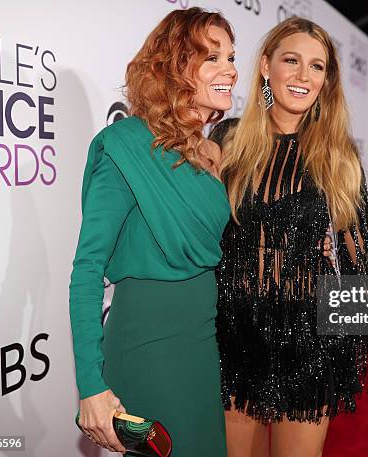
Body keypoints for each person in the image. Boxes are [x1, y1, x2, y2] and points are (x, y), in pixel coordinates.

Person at [209, 17, 368, 457]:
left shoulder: (338, 155)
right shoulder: (227, 141)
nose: (304, 76)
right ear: (266, 66)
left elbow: (361, 257)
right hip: (234, 337)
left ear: (327, 80)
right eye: (292, 60)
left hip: (310, 342)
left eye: (317, 67)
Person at [69, 8, 237, 456]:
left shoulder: (211, 153)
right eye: (212, 57)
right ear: (176, 65)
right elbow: (87, 269)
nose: (231, 70)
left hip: (202, 346)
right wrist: (90, 386)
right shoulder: (125, 145)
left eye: (231, 57)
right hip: (147, 349)